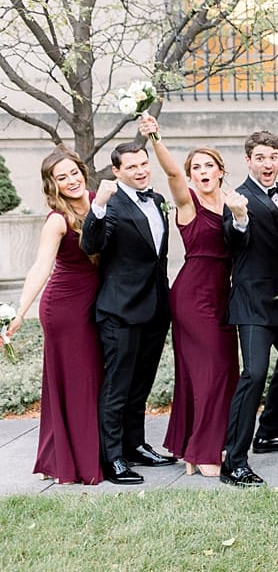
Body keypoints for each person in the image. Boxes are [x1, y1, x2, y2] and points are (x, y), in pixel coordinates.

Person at [140, 116, 244, 478]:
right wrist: (155, 138)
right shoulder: (188, 204)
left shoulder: (233, 204)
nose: (202, 172)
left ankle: (195, 446)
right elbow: (171, 174)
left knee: (225, 370)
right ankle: (203, 451)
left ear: (220, 171)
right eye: (195, 167)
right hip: (192, 296)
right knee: (211, 372)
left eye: (208, 166)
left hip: (223, 296)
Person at [6, 149, 103, 485]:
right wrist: (20, 312)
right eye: (62, 177)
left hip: (97, 304)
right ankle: (74, 463)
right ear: (53, 185)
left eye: (74, 173)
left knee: (94, 379)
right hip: (66, 309)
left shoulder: (99, 201)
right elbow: (41, 267)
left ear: (83, 172)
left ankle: (82, 454)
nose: (71, 181)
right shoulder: (57, 220)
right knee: (77, 383)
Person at [81, 141, 176, 484]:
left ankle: (135, 445)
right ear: (117, 171)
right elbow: (90, 244)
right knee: (118, 386)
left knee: (141, 383)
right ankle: (113, 458)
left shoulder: (158, 199)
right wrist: (98, 206)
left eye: (143, 164)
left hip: (155, 307)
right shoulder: (111, 204)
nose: (140, 170)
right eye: (132, 166)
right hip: (120, 309)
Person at [221, 131, 278, 487]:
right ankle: (234, 461)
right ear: (248, 161)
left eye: (273, 157)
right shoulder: (238, 198)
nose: (268, 164)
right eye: (261, 158)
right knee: (254, 373)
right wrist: (239, 217)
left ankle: (268, 432)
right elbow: (234, 240)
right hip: (253, 301)